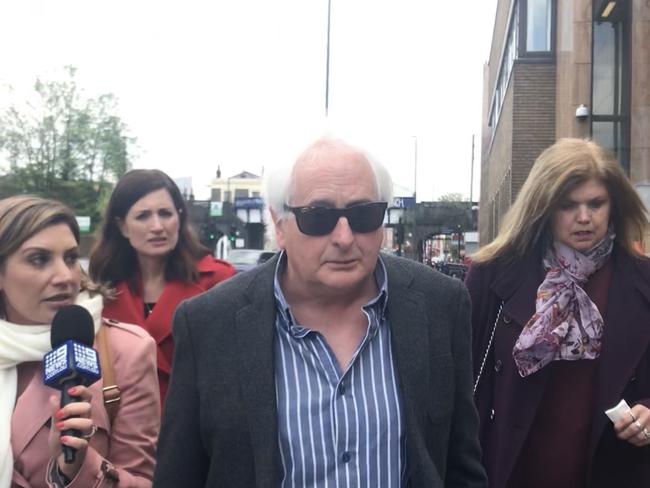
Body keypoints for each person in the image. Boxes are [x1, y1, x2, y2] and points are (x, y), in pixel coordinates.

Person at [154, 137, 487, 487]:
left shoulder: (441, 305)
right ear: (279, 224)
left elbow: (461, 463)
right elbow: (179, 474)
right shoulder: (209, 323)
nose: (344, 237)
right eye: (319, 217)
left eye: (363, 215)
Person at [466, 138, 650, 488]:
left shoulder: (642, 280)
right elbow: (463, 381)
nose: (584, 217)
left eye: (596, 203)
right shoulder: (493, 274)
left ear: (614, 205)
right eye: (568, 205)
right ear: (543, 208)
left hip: (613, 470)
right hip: (510, 470)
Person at [0, 195, 159, 487]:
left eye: (71, 258)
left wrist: (76, 469)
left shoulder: (126, 350)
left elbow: (143, 481)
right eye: (39, 259)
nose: (65, 276)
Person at [89, 169, 235, 405]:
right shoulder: (103, 290)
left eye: (165, 213)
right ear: (122, 226)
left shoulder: (219, 281)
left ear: (179, 218)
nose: (157, 226)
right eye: (143, 216)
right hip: (128, 432)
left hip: (196, 431)